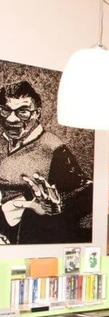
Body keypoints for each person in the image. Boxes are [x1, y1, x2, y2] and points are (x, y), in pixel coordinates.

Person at [0, 80, 93, 244]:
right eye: (5, 110)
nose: (11, 118)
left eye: (22, 112)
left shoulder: (52, 148)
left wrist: (58, 206)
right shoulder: (4, 142)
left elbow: (88, 191)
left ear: (37, 113)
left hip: (33, 238)